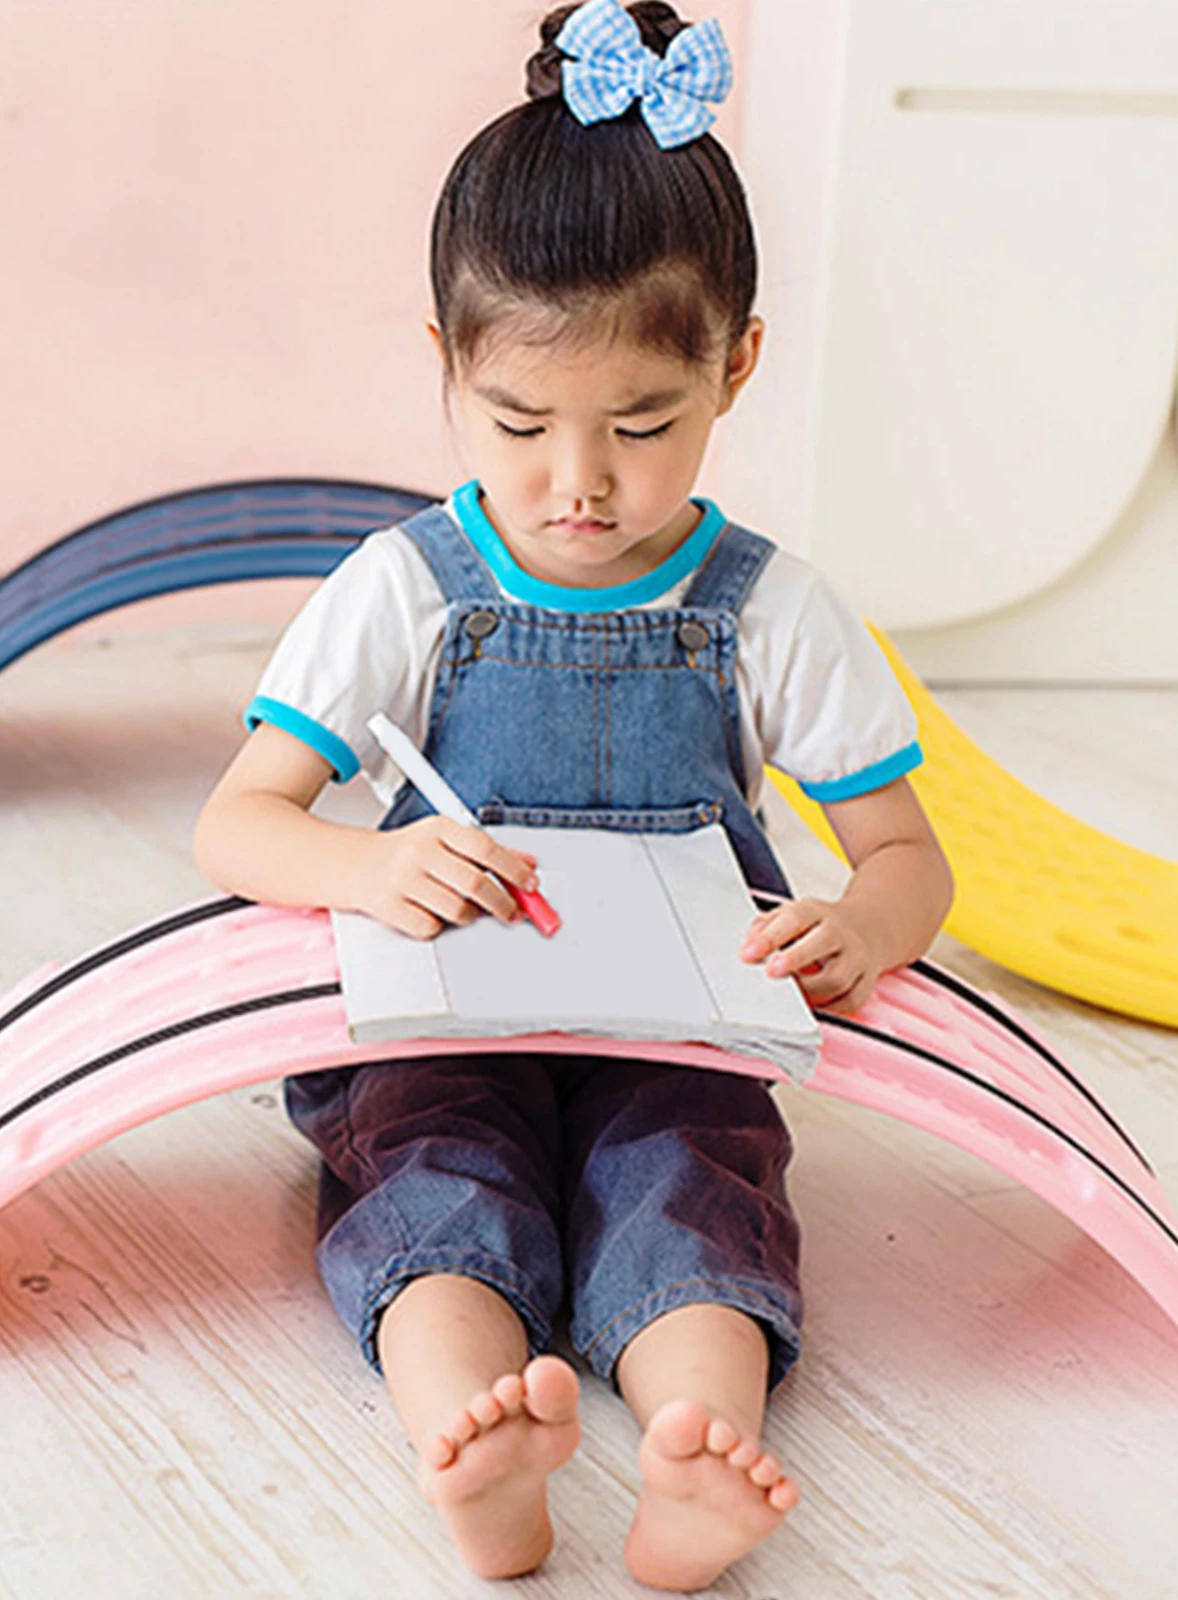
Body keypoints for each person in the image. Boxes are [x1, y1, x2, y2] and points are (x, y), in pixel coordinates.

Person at [194, 0, 953, 1586]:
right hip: (447, 1012)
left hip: (675, 1024)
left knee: (693, 1185)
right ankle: (478, 1442)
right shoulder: (406, 586)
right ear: (445, 369)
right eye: (520, 424)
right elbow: (238, 819)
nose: (580, 484)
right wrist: (363, 874)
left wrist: (859, 925)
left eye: (645, 425)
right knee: (432, 1186)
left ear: (737, 369)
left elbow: (905, 854)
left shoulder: (766, 608)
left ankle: (693, 1453)